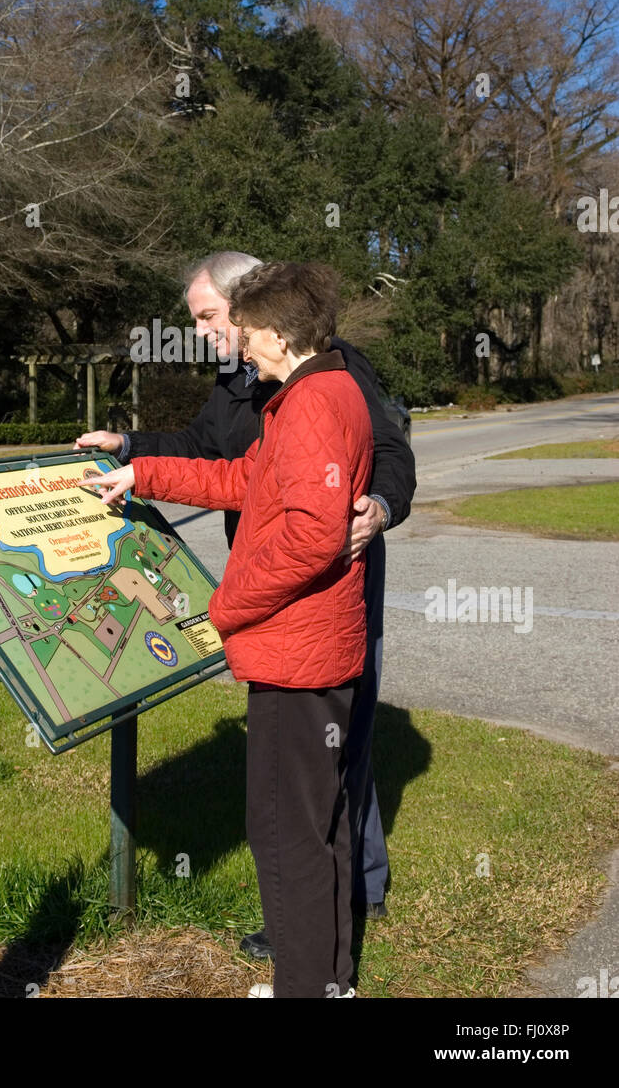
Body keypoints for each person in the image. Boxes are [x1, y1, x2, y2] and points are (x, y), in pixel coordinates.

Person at [75, 250, 416, 955]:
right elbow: (218, 459)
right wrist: (131, 450)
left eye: (207, 317)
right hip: (274, 586)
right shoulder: (245, 382)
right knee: (301, 768)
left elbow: (389, 450)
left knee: (331, 749)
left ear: (255, 310)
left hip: (326, 580)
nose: (200, 332)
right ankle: (317, 929)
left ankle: (347, 899)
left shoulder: (331, 376)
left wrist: (378, 507)